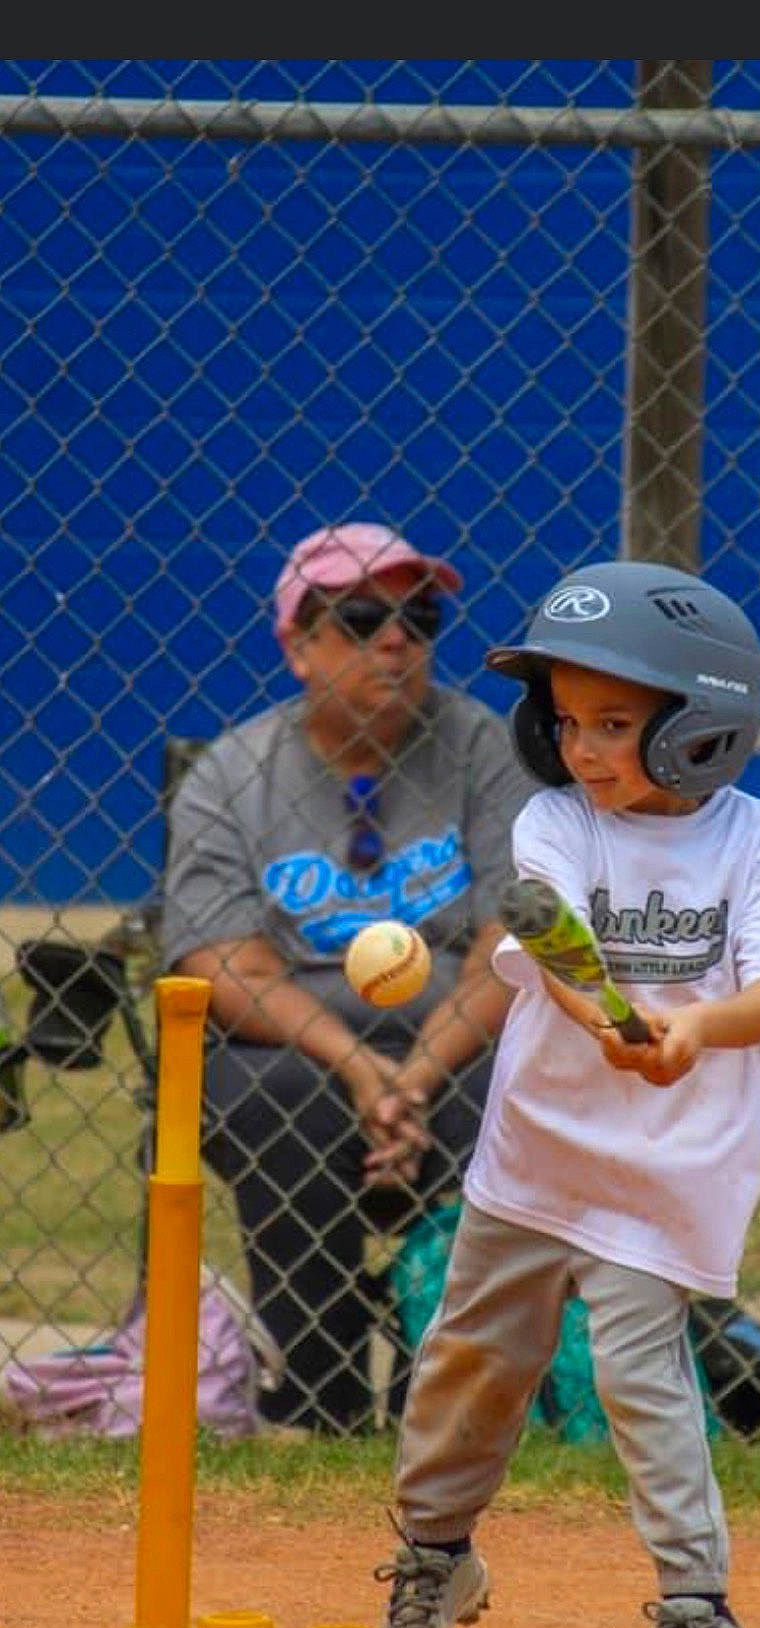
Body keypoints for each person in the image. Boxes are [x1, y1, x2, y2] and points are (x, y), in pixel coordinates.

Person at [373, 558, 760, 1628]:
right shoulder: (555, 821)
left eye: (617, 721)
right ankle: (436, 1557)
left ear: (701, 728)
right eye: (568, 719)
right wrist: (612, 1017)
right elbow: (553, 937)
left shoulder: (758, 845)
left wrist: (692, 1026)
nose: (585, 746)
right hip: (538, 1155)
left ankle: (702, 1620)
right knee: (473, 1360)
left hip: (672, 1168)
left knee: (644, 1374)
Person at [160, 520, 536, 1433]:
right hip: (296, 1045)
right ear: (297, 644)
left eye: (420, 616)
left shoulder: (482, 747)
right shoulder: (234, 774)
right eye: (362, 618)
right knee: (279, 1099)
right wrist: (358, 1068)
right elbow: (222, 965)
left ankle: (444, 1404)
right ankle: (320, 1400)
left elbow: (513, 940)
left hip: (453, 1032)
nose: (397, 641)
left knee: (502, 1089)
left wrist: (414, 1074)